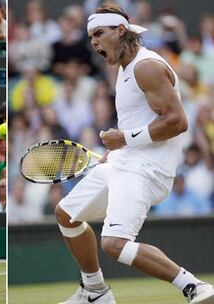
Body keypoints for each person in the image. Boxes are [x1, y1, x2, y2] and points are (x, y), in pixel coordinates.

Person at [54, 4, 214, 304]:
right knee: (66, 214)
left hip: (147, 170)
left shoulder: (146, 66)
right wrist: (113, 151)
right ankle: (95, 291)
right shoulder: (126, 68)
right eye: (91, 37)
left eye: (99, 33)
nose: (94, 43)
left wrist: (123, 139)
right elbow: (139, 121)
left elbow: (178, 122)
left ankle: (194, 286)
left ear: (121, 30)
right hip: (123, 163)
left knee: (114, 244)